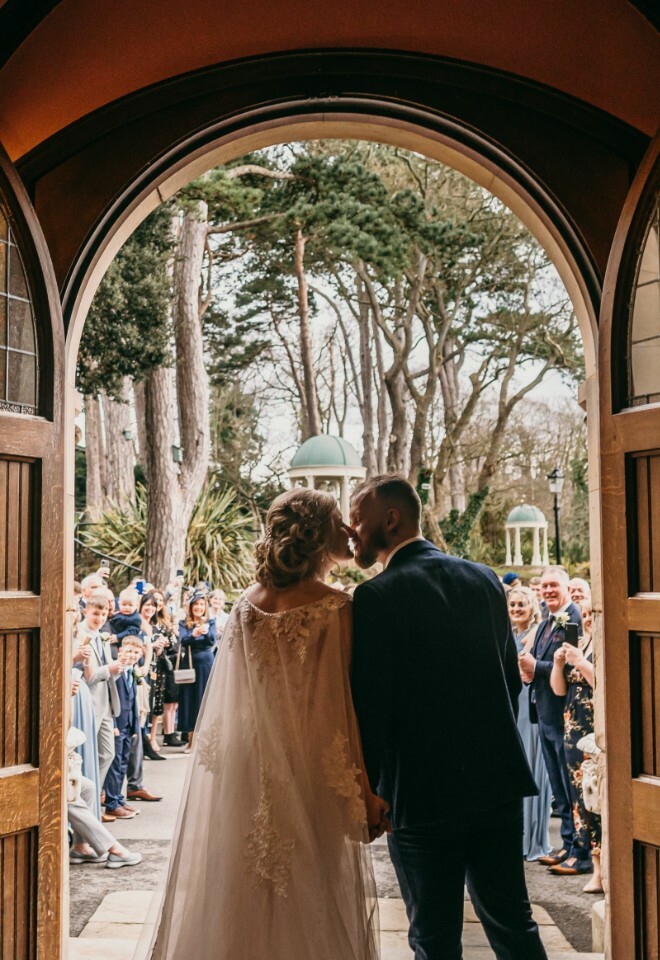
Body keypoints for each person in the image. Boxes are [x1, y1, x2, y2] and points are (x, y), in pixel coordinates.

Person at [149, 488, 381, 960]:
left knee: (237, 885)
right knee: (313, 888)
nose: (349, 530)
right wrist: (359, 786)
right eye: (340, 519)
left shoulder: (245, 604)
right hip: (310, 769)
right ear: (316, 534)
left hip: (245, 767)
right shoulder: (337, 607)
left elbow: (230, 706)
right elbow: (341, 709)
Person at [349, 475, 546, 960]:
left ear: (390, 518)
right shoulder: (482, 577)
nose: (352, 528)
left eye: (358, 515)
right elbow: (507, 680)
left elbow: (373, 706)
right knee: (514, 924)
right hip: (495, 785)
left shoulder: (376, 597)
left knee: (434, 939)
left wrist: (369, 789)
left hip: (421, 794)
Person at [518, 566, 584, 871]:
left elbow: (570, 667)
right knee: (558, 785)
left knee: (570, 786)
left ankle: (579, 852)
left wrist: (537, 665)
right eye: (544, 586)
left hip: (561, 713)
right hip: (542, 710)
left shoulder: (572, 619)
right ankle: (567, 844)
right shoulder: (546, 621)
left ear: (567, 588)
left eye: (553, 585)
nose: (547, 591)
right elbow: (542, 660)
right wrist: (530, 669)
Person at [550, 599, 602, 890]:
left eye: (591, 613)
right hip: (572, 729)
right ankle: (594, 865)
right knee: (579, 800)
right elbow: (559, 689)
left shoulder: (603, 647)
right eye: (583, 614)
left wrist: (581, 663)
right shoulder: (579, 644)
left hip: (594, 731)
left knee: (595, 800)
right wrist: (560, 664)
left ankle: (599, 870)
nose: (586, 619)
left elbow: (602, 684)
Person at [508, 587, 552, 861]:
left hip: (529, 705)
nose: (515, 609)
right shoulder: (508, 632)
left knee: (534, 769)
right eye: (512, 604)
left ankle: (533, 840)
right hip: (513, 705)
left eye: (521, 604)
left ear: (531, 605)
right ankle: (517, 836)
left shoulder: (535, 632)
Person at [78, 594, 125, 821]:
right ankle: (88, 809)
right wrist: (110, 669)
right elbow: (88, 678)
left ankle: (93, 801)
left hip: (106, 704)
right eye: (96, 613)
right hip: (89, 704)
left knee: (108, 753)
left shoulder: (102, 636)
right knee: (86, 756)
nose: (99, 618)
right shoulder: (80, 634)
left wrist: (117, 671)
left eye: (103, 614)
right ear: (86, 611)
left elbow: (107, 675)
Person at [103, 636, 143, 820]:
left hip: (128, 724)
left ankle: (119, 799)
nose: (132, 655)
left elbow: (133, 701)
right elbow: (110, 699)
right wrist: (112, 724)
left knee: (124, 763)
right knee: (115, 764)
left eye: (136, 652)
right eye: (128, 651)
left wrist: (135, 726)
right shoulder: (116, 670)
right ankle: (111, 802)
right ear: (120, 651)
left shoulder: (132, 671)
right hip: (117, 724)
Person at [177, 592, 216, 753]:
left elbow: (212, 640)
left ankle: (204, 740)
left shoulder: (210, 622)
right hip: (190, 663)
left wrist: (206, 632)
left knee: (204, 699)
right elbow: (183, 640)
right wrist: (193, 634)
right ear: (191, 607)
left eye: (201, 605)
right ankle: (190, 739)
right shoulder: (183, 623)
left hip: (206, 663)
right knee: (189, 700)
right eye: (196, 605)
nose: (199, 608)